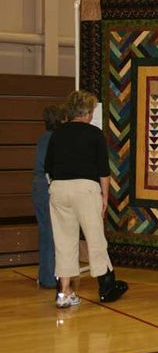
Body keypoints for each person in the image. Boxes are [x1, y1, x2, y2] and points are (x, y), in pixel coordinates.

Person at [45, 90, 128, 308]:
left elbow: (48, 167)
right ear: (88, 113)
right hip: (85, 188)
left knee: (63, 241)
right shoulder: (94, 134)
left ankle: (63, 293)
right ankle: (106, 288)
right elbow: (103, 171)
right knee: (96, 238)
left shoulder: (57, 134)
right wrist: (104, 198)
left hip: (59, 188)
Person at [32, 104, 66, 289]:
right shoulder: (55, 140)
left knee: (45, 232)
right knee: (54, 234)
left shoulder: (42, 138)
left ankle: (45, 275)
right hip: (48, 186)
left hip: (38, 186)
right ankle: (50, 277)